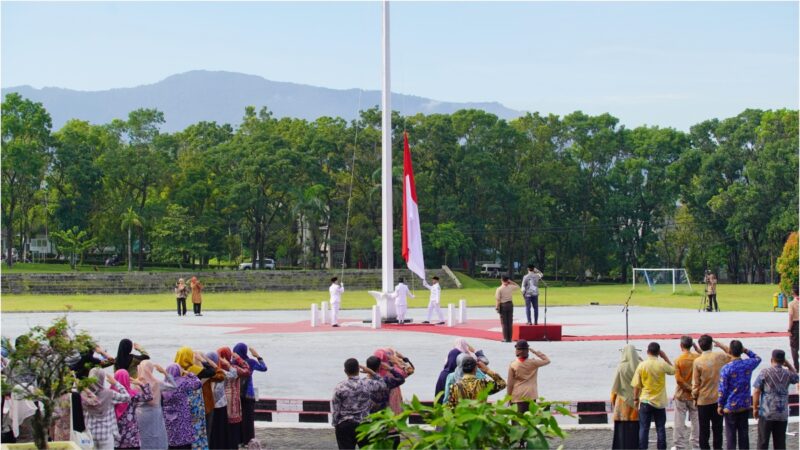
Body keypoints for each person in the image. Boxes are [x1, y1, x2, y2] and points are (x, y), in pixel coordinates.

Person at [631, 342, 675, 450]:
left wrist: (636, 399)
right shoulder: (662, 364)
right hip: (659, 402)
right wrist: (665, 357)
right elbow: (673, 371)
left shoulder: (642, 365)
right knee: (660, 428)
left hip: (645, 401)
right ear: (658, 353)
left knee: (644, 428)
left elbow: (636, 385)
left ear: (647, 352)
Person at [717, 340, 761, 449]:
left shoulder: (726, 368)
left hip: (730, 407)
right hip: (744, 405)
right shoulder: (748, 364)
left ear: (730, 351)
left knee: (731, 437)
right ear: (741, 351)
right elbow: (758, 358)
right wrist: (746, 350)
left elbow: (723, 390)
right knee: (744, 436)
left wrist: (720, 405)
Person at [331, 358, 382, 449]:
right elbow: (383, 384)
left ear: (345, 371)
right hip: (364, 424)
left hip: (345, 424)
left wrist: (336, 424)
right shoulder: (368, 384)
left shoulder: (339, 387)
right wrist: (372, 372)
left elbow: (336, 409)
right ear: (359, 369)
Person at [753, 349, 798, 450]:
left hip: (766, 413)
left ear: (771, 359)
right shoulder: (788, 373)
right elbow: (796, 378)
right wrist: (789, 365)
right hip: (782, 413)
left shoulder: (765, 372)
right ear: (783, 361)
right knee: (780, 443)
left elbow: (756, 391)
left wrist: (755, 408)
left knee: (763, 442)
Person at [693, 335, 733, 450]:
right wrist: (721, 345)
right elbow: (732, 355)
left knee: (704, 430)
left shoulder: (697, 361)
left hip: (703, 400)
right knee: (718, 429)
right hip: (718, 399)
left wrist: (695, 397)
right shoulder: (720, 356)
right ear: (711, 344)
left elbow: (695, 383)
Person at [81, 368, 131, 450]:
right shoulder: (109, 393)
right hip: (106, 434)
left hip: (90, 434)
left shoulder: (84, 394)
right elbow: (127, 397)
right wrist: (116, 383)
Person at [233, 342, 268, 446]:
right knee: (248, 419)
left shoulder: (233, 363)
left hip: (236, 395)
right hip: (248, 395)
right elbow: (264, 368)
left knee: (238, 418)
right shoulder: (251, 362)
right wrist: (257, 356)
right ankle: (248, 441)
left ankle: (239, 440)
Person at [136, 361, 174, 450]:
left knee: (142, 436)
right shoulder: (157, 383)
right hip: (155, 414)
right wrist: (165, 372)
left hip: (140, 414)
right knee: (156, 434)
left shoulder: (136, 384)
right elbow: (173, 386)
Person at [162, 363, 201, 450]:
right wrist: (189, 373)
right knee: (184, 442)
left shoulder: (163, 384)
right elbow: (198, 383)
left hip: (168, 417)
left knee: (171, 441)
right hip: (182, 416)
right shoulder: (183, 382)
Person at [217, 346, 250, 447]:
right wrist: (239, 359)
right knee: (233, 428)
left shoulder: (216, 369)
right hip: (233, 403)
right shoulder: (234, 368)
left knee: (222, 428)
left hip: (220, 403)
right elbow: (247, 370)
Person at [611, 344, 643, 450]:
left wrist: (613, 400)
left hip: (622, 403)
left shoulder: (621, 367)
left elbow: (615, 387)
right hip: (637, 402)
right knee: (635, 429)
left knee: (622, 430)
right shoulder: (641, 365)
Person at [113, 369, 154, 449]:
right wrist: (141, 384)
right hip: (131, 434)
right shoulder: (132, 395)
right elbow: (149, 396)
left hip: (116, 433)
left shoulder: (111, 394)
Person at [673, 336, 701, 450]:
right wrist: (693, 389)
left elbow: (679, 380)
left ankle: (679, 445)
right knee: (696, 421)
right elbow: (705, 355)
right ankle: (696, 444)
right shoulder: (698, 358)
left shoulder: (678, 360)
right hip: (695, 395)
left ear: (681, 346)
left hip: (681, 395)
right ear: (691, 345)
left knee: (679, 421)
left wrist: (688, 388)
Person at [506, 340, 550, 413]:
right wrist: (535, 352)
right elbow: (547, 360)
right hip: (531, 395)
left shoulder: (513, 365)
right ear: (527, 350)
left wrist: (509, 397)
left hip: (517, 395)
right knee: (529, 419)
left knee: (517, 420)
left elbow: (510, 384)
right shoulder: (533, 363)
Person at [206, 351, 238, 450]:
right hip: (221, 404)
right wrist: (228, 364)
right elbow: (234, 374)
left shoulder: (204, 372)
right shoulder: (220, 371)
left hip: (210, 405)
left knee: (212, 430)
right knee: (221, 429)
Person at [373, 348, 414, 414]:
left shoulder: (373, 375)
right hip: (394, 408)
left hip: (378, 411)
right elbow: (410, 370)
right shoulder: (395, 373)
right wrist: (402, 359)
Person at [495, 276, 519, 342]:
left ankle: (505, 338)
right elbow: (518, 286)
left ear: (501, 280)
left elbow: (498, 299)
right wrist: (511, 282)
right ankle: (510, 338)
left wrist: (497, 307)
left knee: (504, 323)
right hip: (510, 305)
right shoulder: (510, 287)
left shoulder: (499, 289)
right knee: (510, 322)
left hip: (503, 305)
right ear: (507, 280)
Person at [788, 283, 798, 370]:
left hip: (796, 325)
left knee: (794, 347)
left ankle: (797, 366)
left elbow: (791, 316)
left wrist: (789, 328)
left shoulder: (792, 303)